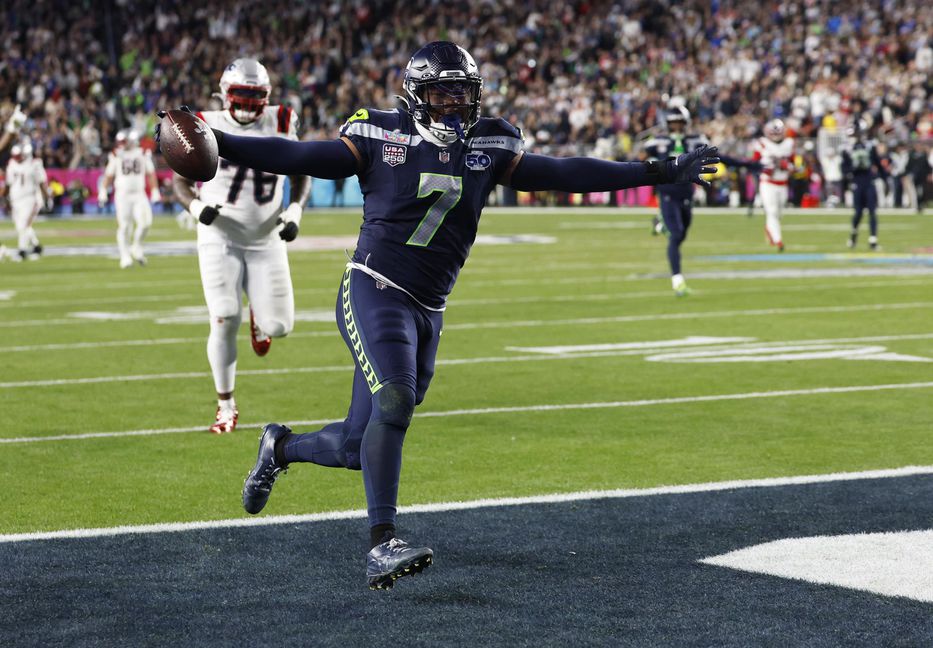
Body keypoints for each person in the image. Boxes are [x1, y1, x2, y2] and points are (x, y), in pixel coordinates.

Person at [158, 41, 719, 590]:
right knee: (394, 400)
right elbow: (301, 157)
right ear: (415, 95)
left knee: (356, 446)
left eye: (462, 93)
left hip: (430, 307)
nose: (454, 104)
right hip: (375, 286)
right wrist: (221, 141)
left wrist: (658, 171)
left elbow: (565, 172)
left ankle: (279, 447)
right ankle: (382, 543)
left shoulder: (490, 143)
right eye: (441, 94)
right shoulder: (379, 133)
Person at [170, 58, 311, 435]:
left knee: (280, 326)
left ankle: (260, 318)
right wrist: (196, 208)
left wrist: (295, 209)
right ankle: (226, 406)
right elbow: (179, 181)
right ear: (224, 94)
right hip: (220, 234)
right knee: (224, 314)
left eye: (255, 96)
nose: (248, 105)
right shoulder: (204, 122)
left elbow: (302, 170)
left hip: (267, 238)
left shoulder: (283, 119)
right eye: (241, 96)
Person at [99, 130, 160, 268]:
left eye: (123, 142)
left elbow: (151, 173)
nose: (121, 145)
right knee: (125, 226)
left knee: (145, 223)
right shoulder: (116, 155)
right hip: (122, 195)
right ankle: (125, 256)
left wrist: (155, 191)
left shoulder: (142, 153)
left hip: (139, 194)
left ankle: (136, 246)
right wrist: (103, 191)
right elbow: (108, 175)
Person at [752, 119, 796, 252]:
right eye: (773, 133)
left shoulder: (789, 143)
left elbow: (793, 164)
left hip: (783, 183)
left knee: (778, 213)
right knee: (772, 211)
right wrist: (765, 169)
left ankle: (770, 231)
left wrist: (787, 166)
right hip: (768, 183)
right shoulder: (762, 144)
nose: (776, 136)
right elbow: (754, 164)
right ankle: (778, 241)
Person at [3, 143, 52, 261]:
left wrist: (47, 198)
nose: (17, 158)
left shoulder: (35, 164)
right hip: (15, 199)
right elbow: (8, 184)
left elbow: (41, 182)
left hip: (30, 198)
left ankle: (22, 250)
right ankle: (36, 246)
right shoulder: (12, 164)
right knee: (20, 226)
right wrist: (5, 198)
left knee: (24, 224)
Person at [842, 121, 882, 250]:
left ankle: (873, 239)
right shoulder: (847, 149)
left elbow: (877, 163)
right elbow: (844, 169)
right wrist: (852, 169)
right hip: (857, 182)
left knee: (872, 211)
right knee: (858, 212)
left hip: (869, 181)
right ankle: (853, 234)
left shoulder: (870, 146)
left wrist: (882, 176)